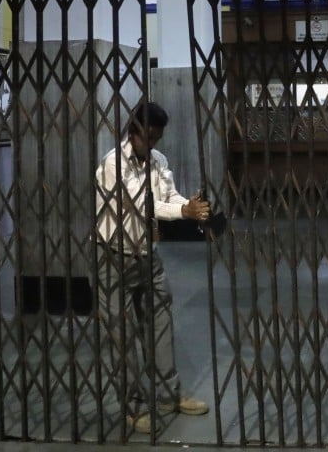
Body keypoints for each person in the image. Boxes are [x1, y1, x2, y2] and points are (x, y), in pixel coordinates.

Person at [94, 101, 212, 434]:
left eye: (158, 138)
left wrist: (188, 205)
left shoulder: (158, 160)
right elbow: (142, 205)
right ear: (133, 132)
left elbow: (168, 195)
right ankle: (132, 407)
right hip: (112, 258)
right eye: (149, 137)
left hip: (148, 257)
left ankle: (169, 394)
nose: (154, 144)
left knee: (160, 324)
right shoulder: (112, 164)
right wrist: (183, 214)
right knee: (121, 336)